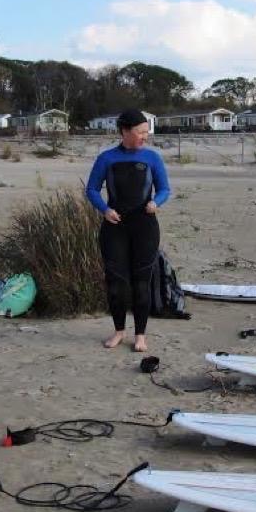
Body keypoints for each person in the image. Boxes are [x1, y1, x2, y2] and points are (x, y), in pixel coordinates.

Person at [84, 109, 170, 352]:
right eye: (140, 132)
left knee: (142, 282)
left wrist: (156, 203)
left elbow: (164, 189)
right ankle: (119, 331)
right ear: (125, 131)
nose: (145, 136)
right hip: (115, 227)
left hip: (145, 226)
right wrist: (104, 209)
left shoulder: (152, 158)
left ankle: (140, 335)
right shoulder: (106, 158)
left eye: (146, 132)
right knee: (116, 283)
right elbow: (92, 189)